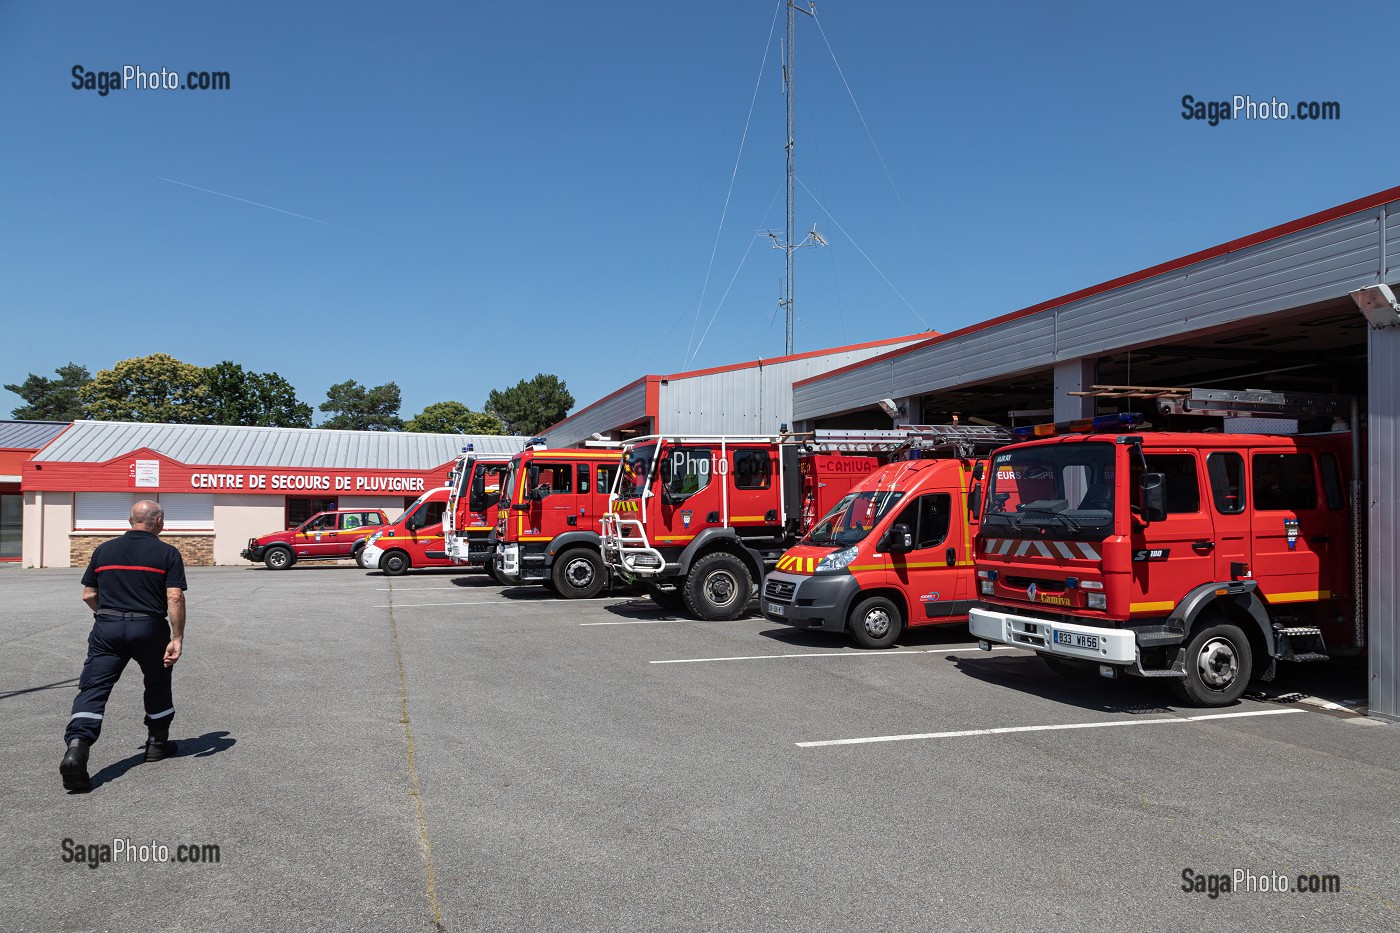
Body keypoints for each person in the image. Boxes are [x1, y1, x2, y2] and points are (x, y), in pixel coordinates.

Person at [60, 500, 188, 793]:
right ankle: (157, 744)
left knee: (93, 688)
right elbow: (175, 598)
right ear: (159, 522)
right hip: (149, 628)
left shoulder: (104, 550)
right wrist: (177, 638)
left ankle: (77, 747)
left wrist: (106, 614)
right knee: (157, 682)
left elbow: (88, 594)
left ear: (131, 520)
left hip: (107, 626)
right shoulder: (167, 552)